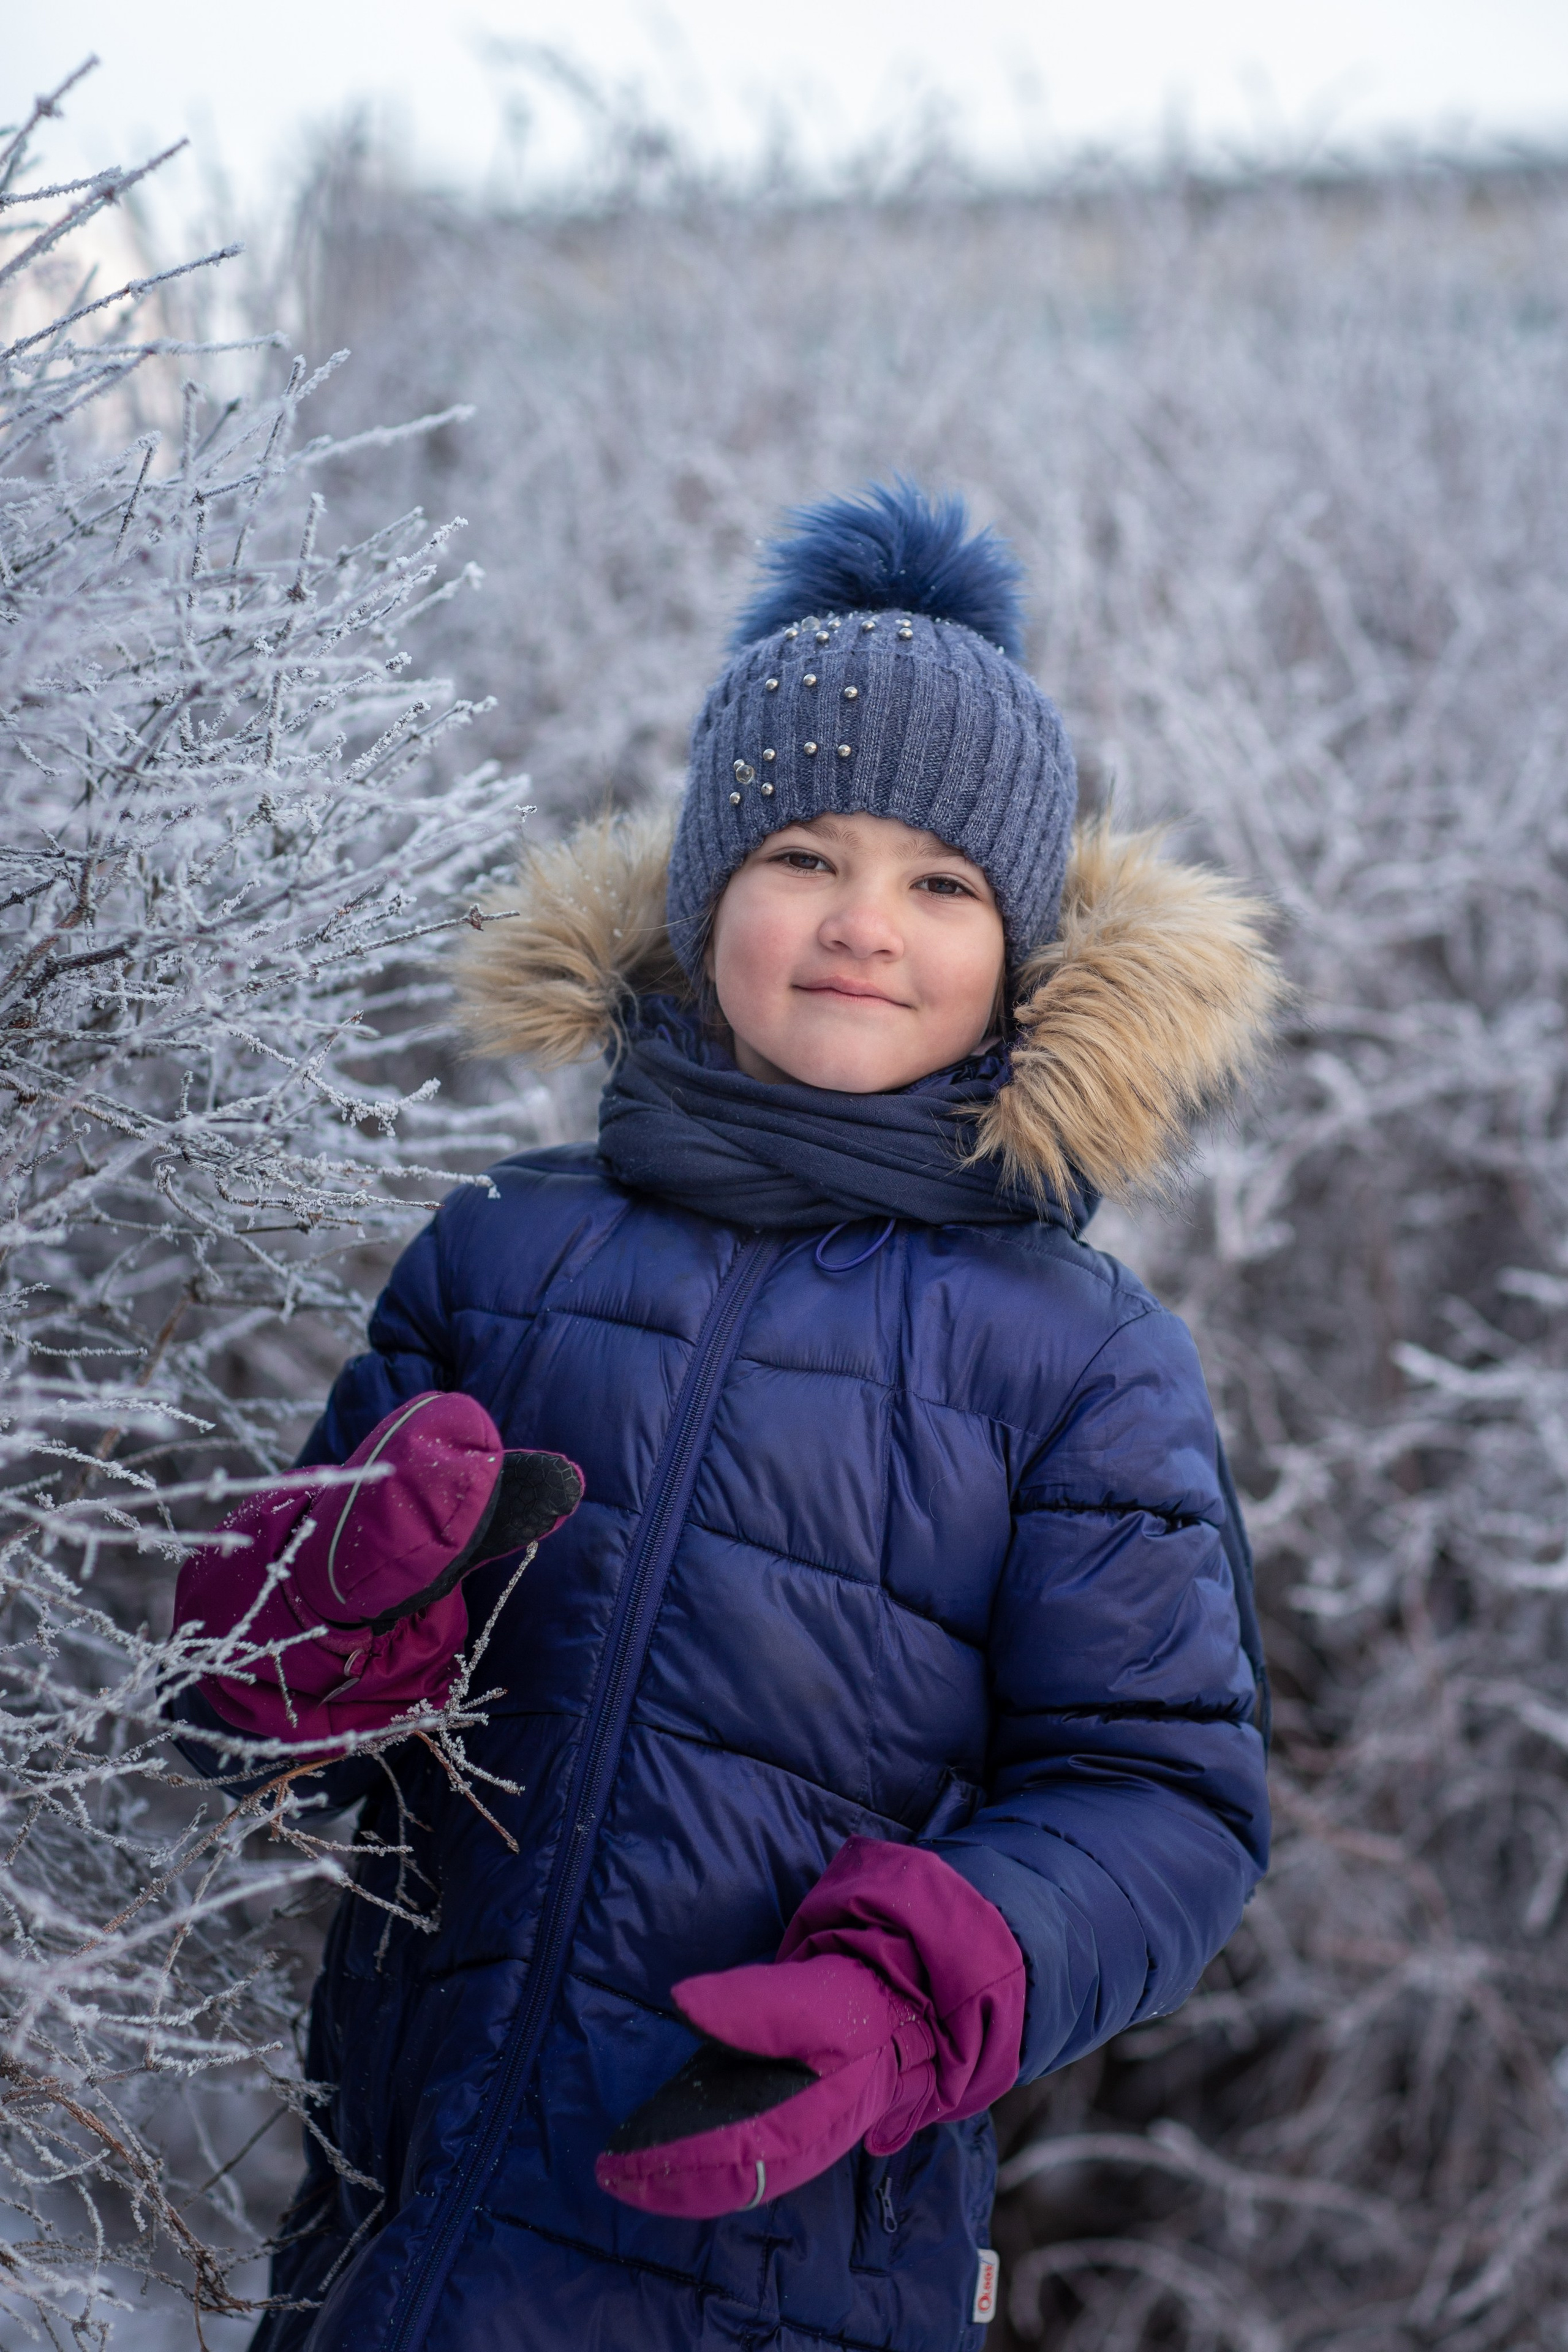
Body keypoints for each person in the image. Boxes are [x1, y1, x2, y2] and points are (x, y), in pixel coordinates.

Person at [172, 481, 1279, 2352]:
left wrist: (922, 1988)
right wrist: (310, 1633)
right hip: (400, 2231)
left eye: (942, 883)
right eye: (802, 856)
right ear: (703, 894)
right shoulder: (504, 1254)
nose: (864, 925)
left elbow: (1164, 1794)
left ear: (1020, 951)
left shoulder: (1077, 1357)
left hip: (783, 2247)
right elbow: (269, 1726)